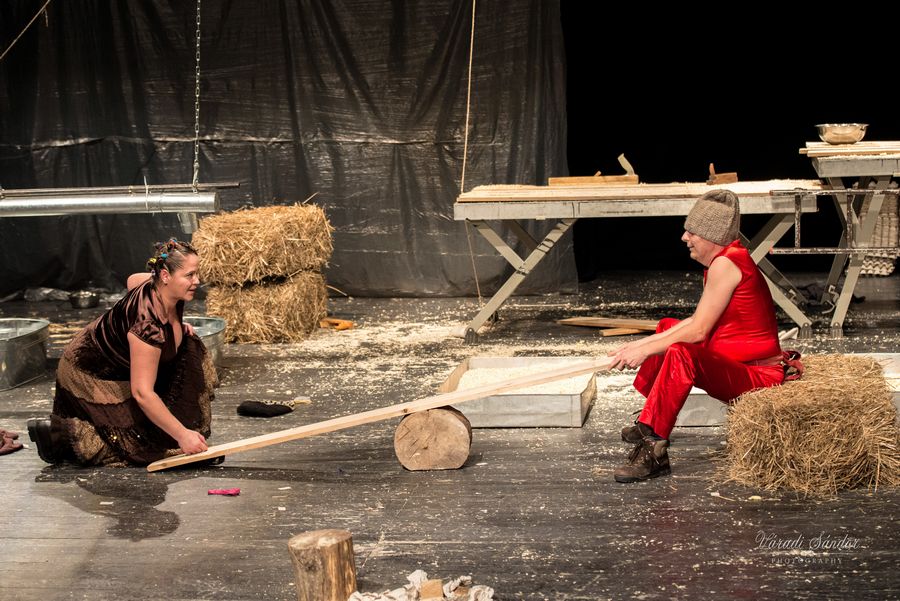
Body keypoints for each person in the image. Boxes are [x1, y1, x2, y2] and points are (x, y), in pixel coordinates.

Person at [607, 190, 802, 483]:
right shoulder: (724, 259)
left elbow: (698, 331)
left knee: (681, 353)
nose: (685, 237)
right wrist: (640, 344)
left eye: (692, 232)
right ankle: (650, 417)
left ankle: (654, 447)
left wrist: (645, 351)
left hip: (758, 374)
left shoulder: (727, 263)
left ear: (711, 236)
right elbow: (697, 321)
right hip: (737, 362)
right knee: (667, 327)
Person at [27, 238, 217, 466]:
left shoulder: (157, 284)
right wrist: (182, 435)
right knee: (135, 443)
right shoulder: (147, 327)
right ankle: (59, 435)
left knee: (189, 345)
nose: (197, 281)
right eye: (190, 275)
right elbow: (142, 393)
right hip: (88, 371)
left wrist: (177, 326)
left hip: (109, 354)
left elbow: (132, 279)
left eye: (197, 273)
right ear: (166, 276)